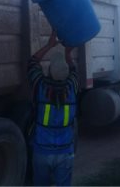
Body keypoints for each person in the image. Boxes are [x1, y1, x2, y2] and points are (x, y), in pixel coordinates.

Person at [27, 30, 78, 186]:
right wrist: (68, 53)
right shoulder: (72, 88)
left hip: (41, 151)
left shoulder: (41, 88)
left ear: (48, 72)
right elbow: (74, 71)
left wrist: (49, 45)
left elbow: (32, 62)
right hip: (65, 152)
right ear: (66, 73)